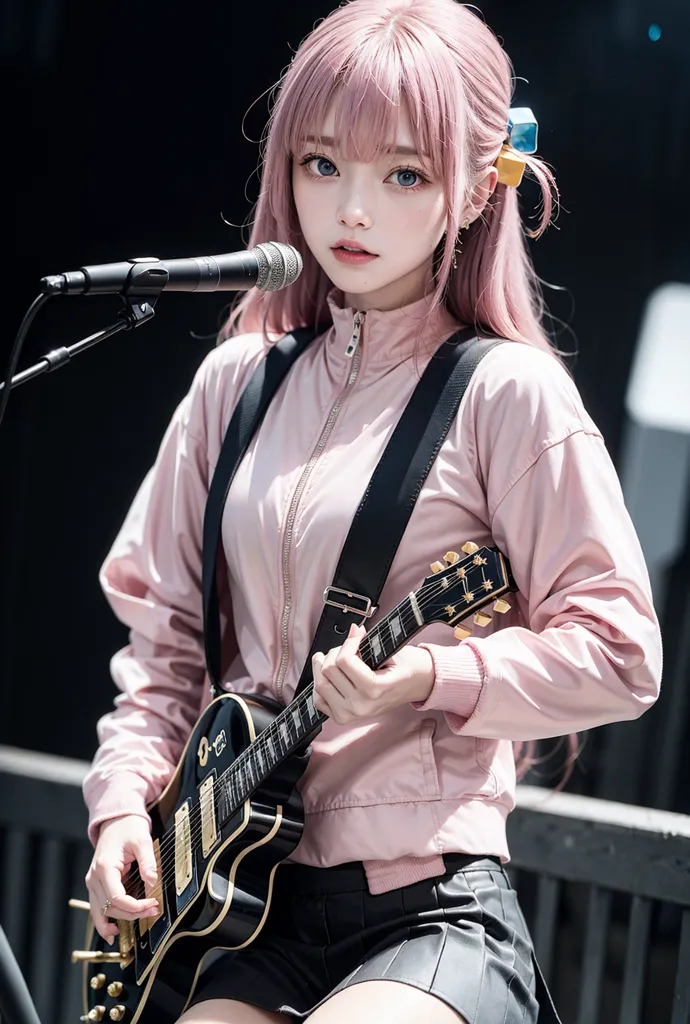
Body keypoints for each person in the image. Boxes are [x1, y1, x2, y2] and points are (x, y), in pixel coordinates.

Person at [82, 1, 663, 1022]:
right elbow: (166, 643)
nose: (352, 210)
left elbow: (622, 650)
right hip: (250, 916)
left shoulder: (508, 395)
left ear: (480, 186)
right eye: (320, 165)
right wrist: (124, 803)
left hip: (428, 912)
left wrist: (435, 673)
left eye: (403, 174)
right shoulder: (237, 386)